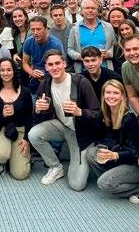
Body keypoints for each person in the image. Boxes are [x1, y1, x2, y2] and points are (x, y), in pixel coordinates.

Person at [28, 50, 100, 191]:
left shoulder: (80, 82)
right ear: (46, 67)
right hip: (62, 126)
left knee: (77, 185)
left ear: (64, 64)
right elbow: (37, 118)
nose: (54, 67)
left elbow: (97, 114)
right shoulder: (45, 84)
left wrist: (79, 112)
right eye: (50, 65)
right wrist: (37, 109)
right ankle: (55, 166)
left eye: (57, 63)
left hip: (81, 134)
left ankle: (85, 154)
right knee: (34, 134)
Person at [85, 79, 139, 202]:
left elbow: (134, 153)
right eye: (108, 92)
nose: (111, 96)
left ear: (122, 96)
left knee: (103, 184)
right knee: (91, 153)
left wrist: (115, 155)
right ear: (103, 95)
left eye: (116, 93)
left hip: (135, 165)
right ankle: (114, 179)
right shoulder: (107, 114)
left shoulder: (129, 119)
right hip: (118, 159)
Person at [0, 58, 32, 180]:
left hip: (20, 130)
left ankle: (16, 158)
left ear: (14, 71)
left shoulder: (25, 92)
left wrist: (27, 139)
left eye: (9, 70)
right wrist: (2, 115)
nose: (6, 73)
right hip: (2, 130)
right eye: (2, 70)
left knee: (20, 174)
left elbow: (29, 117)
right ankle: (3, 159)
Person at [67, 0, 116, 72]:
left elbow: (115, 46)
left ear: (97, 11)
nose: (90, 10)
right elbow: (70, 49)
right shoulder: (74, 29)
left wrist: (108, 54)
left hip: (106, 70)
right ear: (82, 11)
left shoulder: (108, 26)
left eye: (93, 8)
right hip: (83, 71)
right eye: (87, 8)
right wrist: (80, 56)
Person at [22, 16, 64, 94]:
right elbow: (24, 63)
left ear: (46, 29)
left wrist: (46, 76)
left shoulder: (55, 44)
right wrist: (32, 72)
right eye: (33, 29)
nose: (35, 32)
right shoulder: (28, 42)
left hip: (52, 76)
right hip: (35, 76)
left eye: (39, 29)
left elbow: (60, 66)